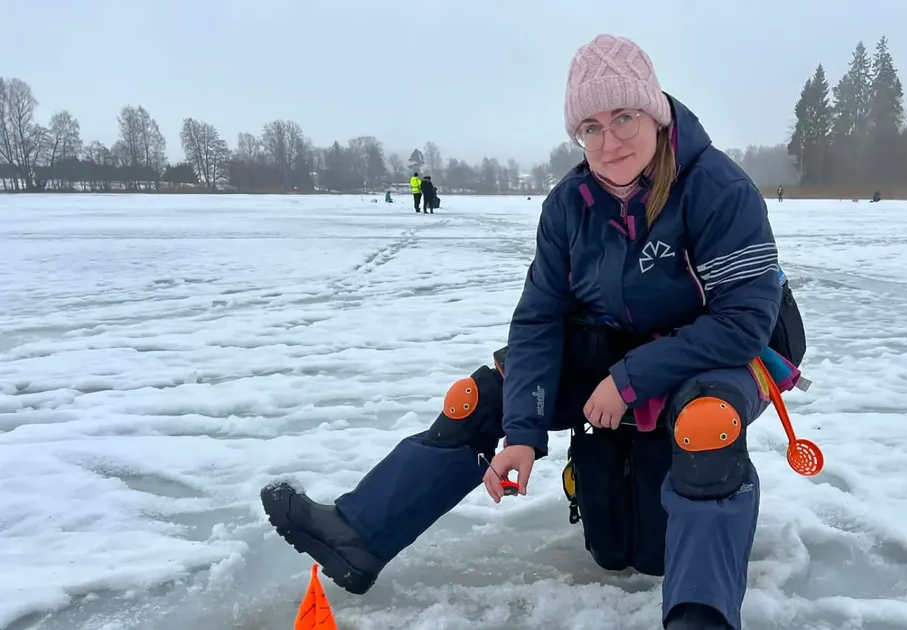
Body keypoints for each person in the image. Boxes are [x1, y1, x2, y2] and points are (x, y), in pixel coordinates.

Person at [260, 33, 807, 630]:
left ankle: (700, 616)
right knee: (482, 396)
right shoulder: (568, 205)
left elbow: (743, 323)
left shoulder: (718, 190)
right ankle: (358, 533)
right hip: (611, 354)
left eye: (623, 116)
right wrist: (521, 430)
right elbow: (539, 321)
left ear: (655, 111)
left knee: (707, 424)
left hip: (718, 357)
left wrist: (629, 380)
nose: (610, 139)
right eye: (591, 127)